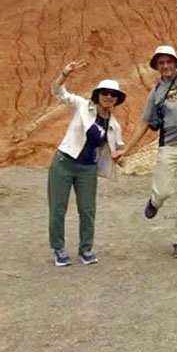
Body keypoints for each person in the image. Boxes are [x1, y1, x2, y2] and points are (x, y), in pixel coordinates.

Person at [114, 1, 177, 259]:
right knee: (165, 190)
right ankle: (154, 202)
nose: (166, 66)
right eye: (161, 63)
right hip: (170, 146)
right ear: (156, 66)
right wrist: (126, 151)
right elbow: (144, 124)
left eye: (169, 61)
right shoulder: (155, 94)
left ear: (176, 62)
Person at [48, 60, 126, 266]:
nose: (109, 96)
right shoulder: (83, 106)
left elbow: (118, 147)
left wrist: (120, 156)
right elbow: (58, 92)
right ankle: (58, 249)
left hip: (88, 168)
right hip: (64, 162)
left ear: (117, 99)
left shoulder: (114, 126)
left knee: (87, 209)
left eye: (113, 94)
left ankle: (85, 249)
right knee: (58, 208)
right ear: (98, 95)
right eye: (105, 93)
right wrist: (65, 73)